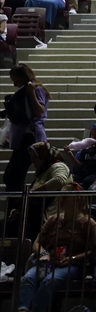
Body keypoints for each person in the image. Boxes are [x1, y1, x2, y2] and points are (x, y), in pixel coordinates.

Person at [14, 185, 96, 312]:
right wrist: (43, 253)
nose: (61, 200)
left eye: (65, 197)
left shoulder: (89, 224)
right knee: (28, 278)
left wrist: (73, 258)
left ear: (77, 199)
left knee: (50, 281)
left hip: (73, 265)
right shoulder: (53, 219)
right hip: (49, 261)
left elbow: (92, 250)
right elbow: (37, 243)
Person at [3, 64, 49, 208]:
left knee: (14, 176)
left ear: (24, 77)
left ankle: (16, 208)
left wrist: (32, 93)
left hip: (30, 136)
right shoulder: (23, 91)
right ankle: (15, 207)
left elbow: (39, 111)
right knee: (11, 176)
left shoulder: (36, 89)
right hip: (22, 136)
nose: (15, 84)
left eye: (16, 80)